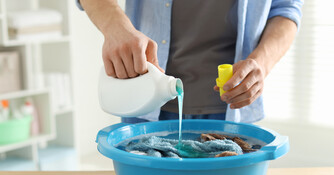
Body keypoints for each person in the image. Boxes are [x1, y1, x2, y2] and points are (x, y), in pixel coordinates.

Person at [77, 0, 303, 124]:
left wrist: (261, 64)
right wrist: (116, 28)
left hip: (231, 107)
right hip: (143, 95)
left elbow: (286, 8)